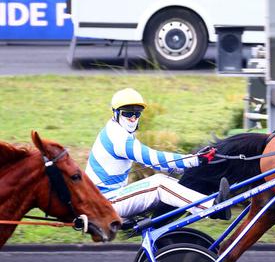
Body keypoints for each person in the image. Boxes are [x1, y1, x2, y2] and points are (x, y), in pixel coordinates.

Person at [85, 88, 226, 220]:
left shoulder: (117, 130)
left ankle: (207, 200)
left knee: (170, 183)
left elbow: (160, 164)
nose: (133, 118)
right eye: (128, 113)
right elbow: (153, 159)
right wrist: (194, 160)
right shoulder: (117, 137)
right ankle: (212, 208)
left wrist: (185, 164)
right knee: (159, 184)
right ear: (115, 113)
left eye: (137, 113)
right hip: (102, 204)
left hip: (108, 198)